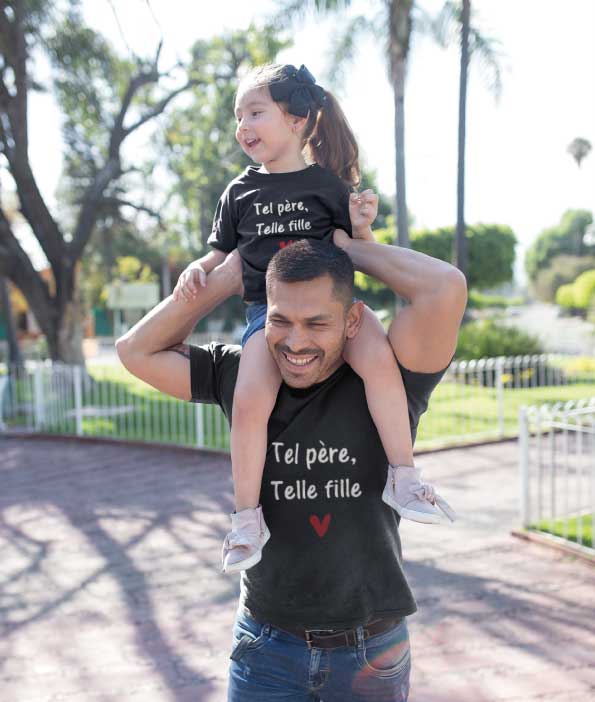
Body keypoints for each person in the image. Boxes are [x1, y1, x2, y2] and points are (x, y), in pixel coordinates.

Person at [115, 231, 467, 702]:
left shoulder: (392, 382)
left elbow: (444, 288)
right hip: (267, 647)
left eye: (317, 322)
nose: (296, 342)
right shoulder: (243, 380)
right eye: (280, 320)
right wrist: (219, 281)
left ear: (353, 320)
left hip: (372, 646)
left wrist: (343, 246)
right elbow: (135, 350)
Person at [172, 62, 454, 574]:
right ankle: (246, 518)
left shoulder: (328, 186)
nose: (243, 125)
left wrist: (363, 227)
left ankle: (404, 477)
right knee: (250, 399)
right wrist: (198, 267)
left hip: (340, 315)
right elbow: (218, 255)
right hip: (270, 318)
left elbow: (356, 251)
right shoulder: (238, 193)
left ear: (298, 119)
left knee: (379, 365)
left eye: (255, 112)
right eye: (238, 115)